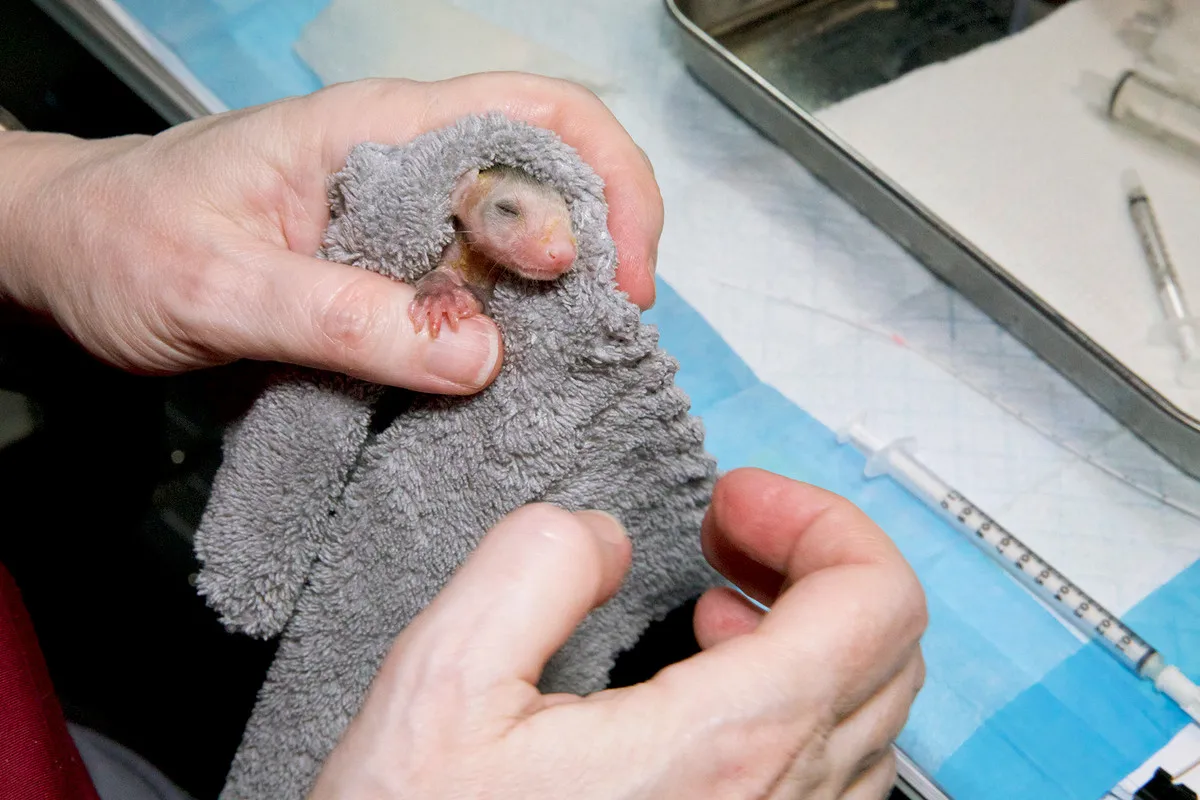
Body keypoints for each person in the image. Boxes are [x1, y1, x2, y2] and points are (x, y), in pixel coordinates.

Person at [0, 74, 927, 799]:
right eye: (516, 219)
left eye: (563, 231)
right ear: (465, 196)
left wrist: (37, 194)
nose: (556, 255)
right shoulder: (452, 240)